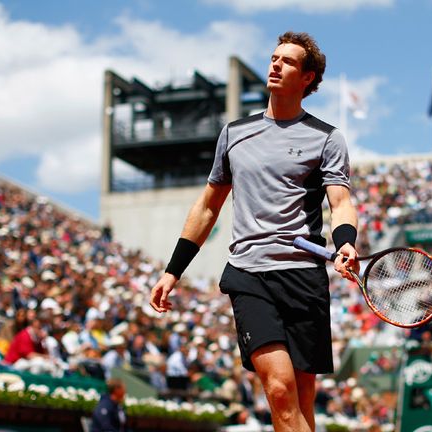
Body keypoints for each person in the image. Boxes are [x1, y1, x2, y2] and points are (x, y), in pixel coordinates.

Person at [150, 31, 358, 432]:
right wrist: (172, 271)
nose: (276, 64)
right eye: (274, 57)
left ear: (308, 78)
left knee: (302, 398)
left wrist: (346, 243)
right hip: (249, 273)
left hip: (304, 276)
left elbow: (341, 202)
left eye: (289, 61)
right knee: (279, 391)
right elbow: (208, 206)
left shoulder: (327, 138)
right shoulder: (234, 134)